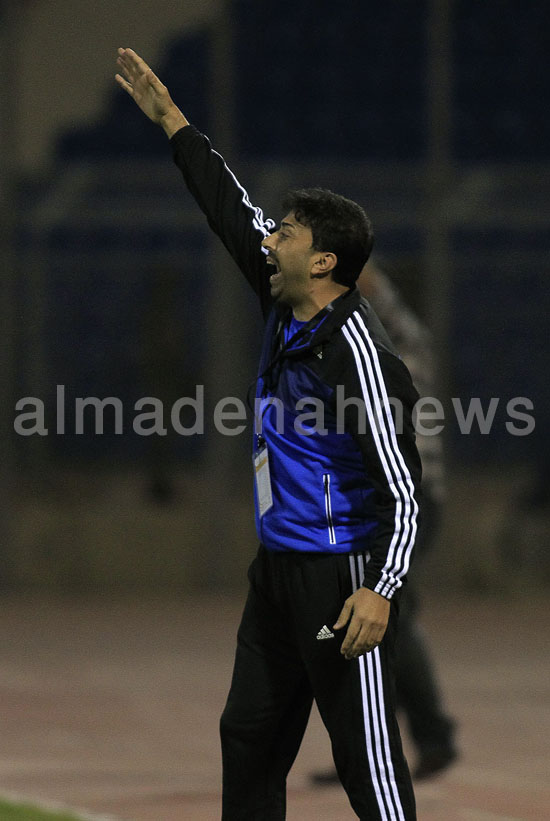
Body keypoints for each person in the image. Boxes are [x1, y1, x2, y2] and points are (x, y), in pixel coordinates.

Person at [115, 48, 421, 820]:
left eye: (285, 233)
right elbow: (228, 205)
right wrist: (172, 121)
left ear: (323, 262)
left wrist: (381, 588)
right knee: (248, 736)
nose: (269, 239)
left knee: (366, 759)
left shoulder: (358, 356)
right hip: (277, 569)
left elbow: (403, 489)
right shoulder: (285, 297)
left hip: (338, 573)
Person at [311, 262, 457, 786]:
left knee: (380, 611)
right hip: (387, 499)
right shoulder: (364, 352)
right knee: (379, 613)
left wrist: (340, 259)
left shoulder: (403, 345)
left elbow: (376, 292)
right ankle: (386, 746)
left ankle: (412, 740)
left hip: (407, 499)